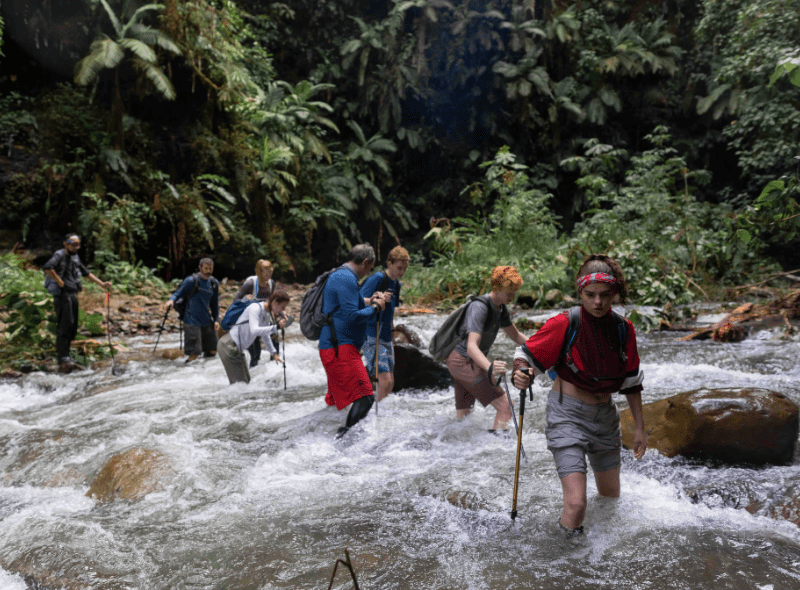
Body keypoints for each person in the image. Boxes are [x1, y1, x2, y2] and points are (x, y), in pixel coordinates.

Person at [511, 254, 646, 536]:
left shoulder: (624, 329)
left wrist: (640, 429)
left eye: (605, 295)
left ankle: (596, 557)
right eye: (590, 295)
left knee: (610, 499)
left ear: (615, 294)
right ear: (580, 293)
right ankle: (565, 565)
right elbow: (526, 355)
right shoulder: (565, 323)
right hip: (567, 415)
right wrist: (520, 373)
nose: (597, 302)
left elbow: (632, 382)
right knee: (576, 504)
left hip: (606, 418)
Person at [446, 266, 529, 431]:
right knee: (505, 406)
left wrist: (543, 348)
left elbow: (516, 336)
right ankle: (499, 448)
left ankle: (457, 450)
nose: (512, 297)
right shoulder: (480, 307)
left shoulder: (501, 308)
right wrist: (490, 367)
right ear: (496, 288)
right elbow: (471, 346)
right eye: (509, 293)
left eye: (515, 293)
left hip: (465, 363)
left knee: (464, 416)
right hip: (463, 362)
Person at [319, 243, 386, 438]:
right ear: (366, 262)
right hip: (340, 348)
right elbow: (351, 316)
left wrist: (370, 300)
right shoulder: (346, 278)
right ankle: (343, 440)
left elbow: (346, 306)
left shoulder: (342, 275)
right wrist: (376, 308)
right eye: (370, 267)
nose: (369, 272)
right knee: (365, 398)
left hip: (336, 346)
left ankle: (328, 439)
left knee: (336, 403)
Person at [42, 233, 112, 366]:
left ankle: (67, 354)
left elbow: (86, 273)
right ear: (65, 243)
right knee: (65, 324)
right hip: (62, 295)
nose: (75, 248)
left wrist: (102, 284)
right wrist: (59, 281)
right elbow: (47, 267)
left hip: (73, 294)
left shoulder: (75, 257)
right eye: (73, 245)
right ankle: (63, 357)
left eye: (77, 245)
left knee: (73, 325)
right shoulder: (59, 255)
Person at [359, 246, 410, 402]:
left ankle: (382, 412)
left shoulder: (397, 285)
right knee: (385, 380)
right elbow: (356, 301)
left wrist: (393, 336)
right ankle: (377, 415)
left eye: (405, 269)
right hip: (371, 335)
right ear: (389, 264)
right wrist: (375, 299)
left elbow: (390, 313)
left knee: (390, 382)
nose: (402, 272)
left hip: (386, 337)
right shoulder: (377, 279)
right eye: (399, 267)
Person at [218, 289, 289, 384]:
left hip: (236, 348)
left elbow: (265, 335)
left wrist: (274, 353)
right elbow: (254, 330)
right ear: (275, 302)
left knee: (246, 382)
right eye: (282, 307)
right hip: (228, 345)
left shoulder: (267, 315)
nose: (283, 311)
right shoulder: (255, 308)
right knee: (241, 385)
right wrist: (276, 327)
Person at [164, 257, 220, 363]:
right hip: (191, 320)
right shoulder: (191, 281)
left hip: (206, 320)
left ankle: (205, 373)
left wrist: (216, 319)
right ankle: (187, 371)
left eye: (210, 269)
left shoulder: (214, 283)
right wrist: (171, 301)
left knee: (213, 350)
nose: (208, 271)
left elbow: (214, 303)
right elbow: (178, 293)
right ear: (200, 268)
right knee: (194, 354)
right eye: (206, 268)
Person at [233, 259, 276, 368]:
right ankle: (253, 375)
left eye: (270, 273)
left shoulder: (271, 283)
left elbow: (272, 301)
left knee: (275, 343)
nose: (268, 276)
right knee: (255, 353)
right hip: (252, 319)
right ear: (259, 272)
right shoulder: (251, 283)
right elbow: (236, 300)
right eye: (265, 273)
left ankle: (275, 371)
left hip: (266, 318)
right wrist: (245, 300)